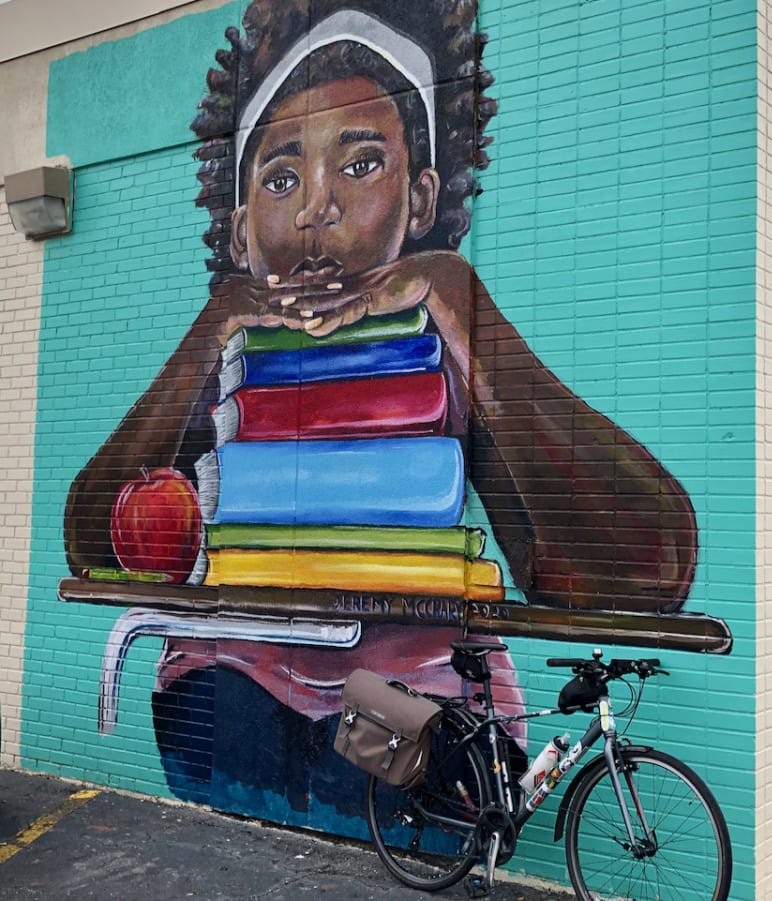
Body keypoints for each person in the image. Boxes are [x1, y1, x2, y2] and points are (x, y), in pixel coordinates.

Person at [62, 0, 698, 823]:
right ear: (241, 225)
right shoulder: (230, 347)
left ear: (422, 193)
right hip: (228, 684)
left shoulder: (447, 329)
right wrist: (214, 325)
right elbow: (90, 540)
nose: (313, 208)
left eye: (360, 166)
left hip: (413, 694)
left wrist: (456, 299)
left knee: (384, 778)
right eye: (280, 178)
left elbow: (647, 568)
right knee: (238, 753)